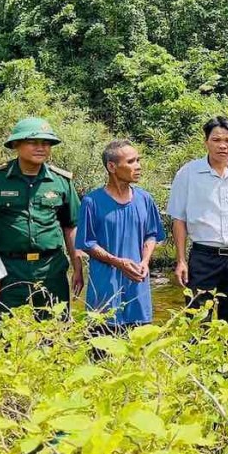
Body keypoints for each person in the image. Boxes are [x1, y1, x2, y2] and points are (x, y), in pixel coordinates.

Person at [0, 118, 83, 327]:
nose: (41, 148)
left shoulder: (61, 181)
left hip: (50, 267)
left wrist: (78, 267)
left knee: (55, 327)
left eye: (46, 143)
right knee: (5, 327)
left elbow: (71, 226)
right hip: (7, 267)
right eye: (33, 142)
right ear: (16, 144)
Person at [166, 116, 228, 332]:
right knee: (198, 318)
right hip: (203, 257)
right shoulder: (188, 173)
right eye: (216, 140)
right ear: (206, 141)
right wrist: (181, 261)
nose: (223, 146)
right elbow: (179, 219)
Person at [76, 140, 165, 332]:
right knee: (101, 344)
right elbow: (87, 243)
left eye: (138, 160)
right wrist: (117, 262)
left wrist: (145, 261)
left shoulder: (145, 199)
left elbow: (152, 234)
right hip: (104, 289)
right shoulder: (92, 202)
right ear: (112, 167)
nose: (138, 166)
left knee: (140, 345)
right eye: (131, 161)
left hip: (138, 290)